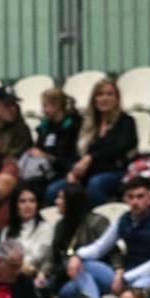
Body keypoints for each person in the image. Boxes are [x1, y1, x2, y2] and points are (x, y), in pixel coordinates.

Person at [58, 177, 150, 298]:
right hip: (123, 275)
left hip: (149, 277)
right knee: (81, 267)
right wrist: (77, 255)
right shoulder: (124, 219)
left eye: (140, 197)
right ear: (125, 199)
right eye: (131, 197)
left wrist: (125, 277)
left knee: (136, 295)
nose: (135, 202)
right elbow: (100, 247)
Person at [49, 78, 137, 206]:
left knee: (96, 184)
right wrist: (72, 172)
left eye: (109, 94)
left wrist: (91, 157)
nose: (104, 98)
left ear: (117, 98)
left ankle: (97, 223)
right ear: (94, 100)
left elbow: (119, 148)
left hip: (116, 171)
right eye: (100, 94)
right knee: (53, 190)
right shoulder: (87, 125)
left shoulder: (126, 122)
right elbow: (74, 154)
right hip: (86, 174)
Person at [40, 182, 109, 298]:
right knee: (36, 286)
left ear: (72, 201)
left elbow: (110, 250)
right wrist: (43, 273)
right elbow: (53, 256)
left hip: (96, 270)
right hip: (65, 273)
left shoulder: (97, 222)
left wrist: (119, 271)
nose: (56, 202)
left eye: (61, 198)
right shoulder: (60, 226)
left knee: (73, 283)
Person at [26, 88, 82, 201]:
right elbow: (39, 148)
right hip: (47, 171)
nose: (44, 110)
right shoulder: (45, 126)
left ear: (57, 105)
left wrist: (46, 156)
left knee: (51, 190)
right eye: (43, 106)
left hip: (66, 172)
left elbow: (68, 159)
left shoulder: (72, 126)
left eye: (46, 106)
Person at [4, 187, 53, 276]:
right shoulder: (7, 230)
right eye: (23, 201)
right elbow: (1, 254)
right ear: (16, 205)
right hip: (8, 271)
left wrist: (14, 264)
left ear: (37, 205)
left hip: (31, 273)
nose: (28, 205)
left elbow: (36, 257)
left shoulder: (45, 228)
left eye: (32, 201)